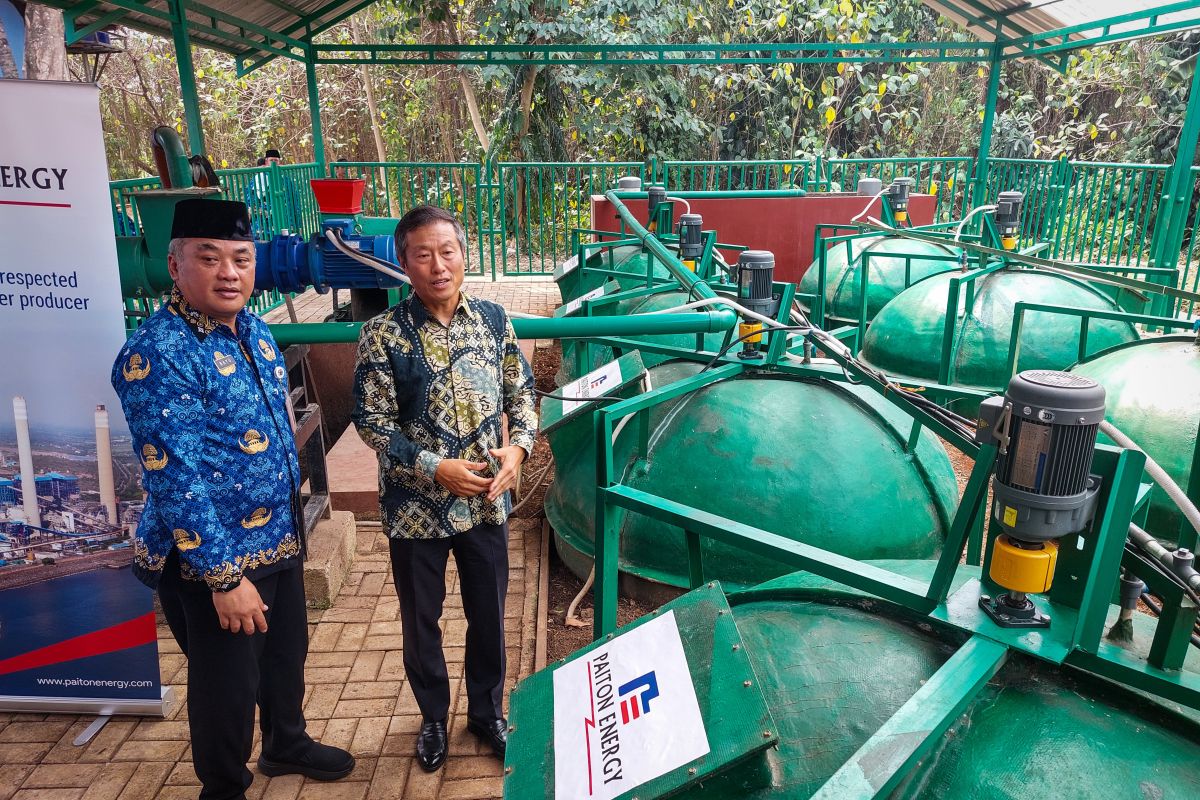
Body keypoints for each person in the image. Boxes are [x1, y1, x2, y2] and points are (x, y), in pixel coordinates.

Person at [112, 198, 354, 800]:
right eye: (209, 258)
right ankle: (223, 786)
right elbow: (175, 478)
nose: (229, 273)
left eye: (241, 259)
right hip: (210, 556)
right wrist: (224, 579)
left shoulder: (250, 327)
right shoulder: (157, 353)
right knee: (226, 683)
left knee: (284, 655)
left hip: (277, 535)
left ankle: (285, 743)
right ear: (175, 266)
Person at [352, 205, 536, 772]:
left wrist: (519, 449)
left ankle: (486, 713)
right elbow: (372, 422)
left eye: (447, 251)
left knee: (490, 613)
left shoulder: (494, 320)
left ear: (464, 253)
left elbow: (521, 394)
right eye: (423, 254)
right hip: (415, 511)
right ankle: (433, 716)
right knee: (420, 618)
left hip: (485, 501)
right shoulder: (382, 333)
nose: (438, 265)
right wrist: (435, 467)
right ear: (403, 262)